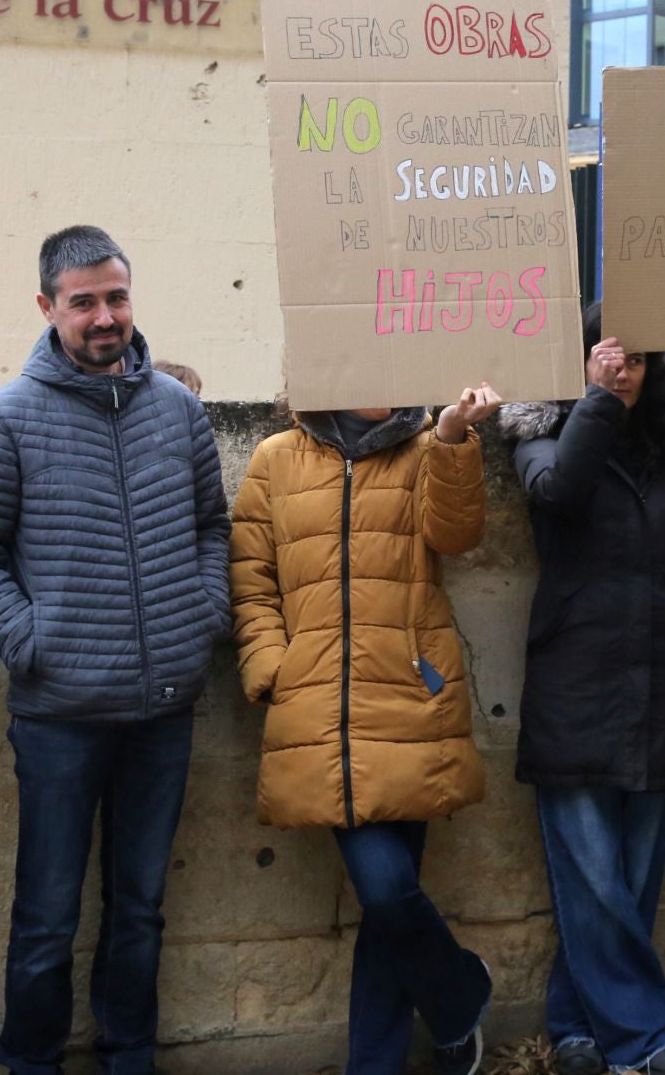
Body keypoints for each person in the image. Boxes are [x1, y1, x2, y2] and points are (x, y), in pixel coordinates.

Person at [0, 225, 232, 1074]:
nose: (105, 317)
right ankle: (30, 1061)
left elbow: (212, 526)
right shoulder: (5, 419)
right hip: (59, 717)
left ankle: (128, 1054)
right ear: (48, 307)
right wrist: (37, 644)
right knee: (47, 916)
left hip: (164, 711)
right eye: (84, 303)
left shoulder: (177, 411)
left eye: (117, 298)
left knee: (140, 907)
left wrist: (202, 615)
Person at [231, 378, 503, 1075]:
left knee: (388, 900)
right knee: (385, 889)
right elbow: (252, 578)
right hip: (319, 708)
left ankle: (376, 1063)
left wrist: (451, 439)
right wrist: (272, 664)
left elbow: (458, 534)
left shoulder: (425, 449)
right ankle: (458, 995)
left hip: (409, 701)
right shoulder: (276, 458)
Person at [498, 302, 665, 1075]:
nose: (623, 370)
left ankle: (575, 1027)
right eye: (605, 356)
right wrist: (592, 401)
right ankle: (641, 1041)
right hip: (576, 679)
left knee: (630, 875)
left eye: (636, 359)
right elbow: (557, 491)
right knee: (591, 871)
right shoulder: (538, 433)